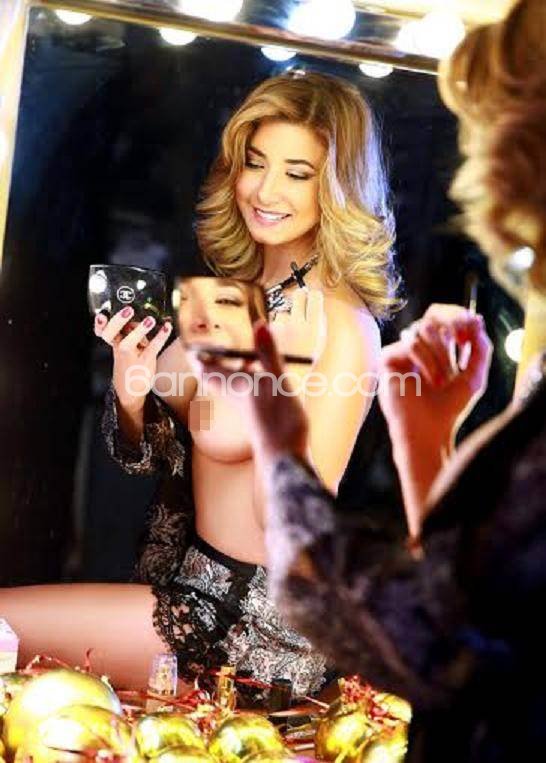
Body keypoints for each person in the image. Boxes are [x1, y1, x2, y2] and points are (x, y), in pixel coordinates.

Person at [199, 0, 546, 757]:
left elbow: (428, 640)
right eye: (256, 162)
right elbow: (466, 603)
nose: (475, 168)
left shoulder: (340, 322)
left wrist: (277, 435)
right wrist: (424, 441)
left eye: (487, 132)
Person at [0, 72, 399, 696]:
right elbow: (149, 456)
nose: (265, 190)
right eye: (255, 163)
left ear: (336, 188)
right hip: (184, 592)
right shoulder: (241, 293)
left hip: (251, 630)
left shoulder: (344, 328)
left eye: (297, 173)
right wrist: (131, 383)